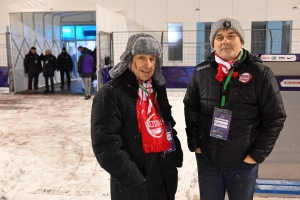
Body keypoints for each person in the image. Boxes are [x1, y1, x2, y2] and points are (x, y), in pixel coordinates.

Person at [184, 17, 286, 200]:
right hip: (208, 160)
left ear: (241, 41)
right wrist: (196, 145)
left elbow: (275, 117)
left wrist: (254, 156)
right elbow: (191, 109)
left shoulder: (260, 73)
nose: (225, 41)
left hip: (243, 163)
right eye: (219, 37)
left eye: (231, 35)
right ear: (213, 43)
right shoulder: (201, 72)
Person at [91, 33, 183, 200]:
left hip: (163, 179)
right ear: (129, 60)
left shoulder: (157, 88)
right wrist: (136, 181)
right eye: (141, 57)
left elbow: (167, 124)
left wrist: (174, 156)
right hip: (133, 187)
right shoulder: (111, 93)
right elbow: (106, 146)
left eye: (152, 58)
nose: (148, 65)